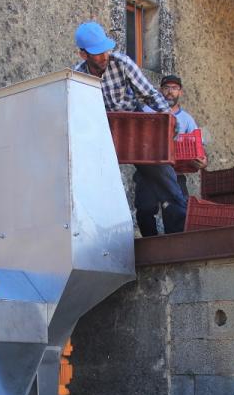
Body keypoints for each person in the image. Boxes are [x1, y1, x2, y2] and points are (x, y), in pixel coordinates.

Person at [72, 20, 187, 236]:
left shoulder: (121, 63)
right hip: (101, 131)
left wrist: (168, 118)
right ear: (83, 54)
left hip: (133, 126)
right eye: (97, 53)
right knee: (95, 182)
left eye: (105, 50)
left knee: (162, 174)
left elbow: (150, 94)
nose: (104, 56)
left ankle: (178, 235)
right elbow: (77, 113)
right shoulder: (77, 76)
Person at [145, 74, 201, 197]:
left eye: (174, 88)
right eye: (166, 88)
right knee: (146, 207)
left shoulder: (187, 119)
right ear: (160, 91)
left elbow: (198, 147)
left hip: (176, 175)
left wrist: (201, 159)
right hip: (148, 174)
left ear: (180, 92)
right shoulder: (147, 111)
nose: (170, 92)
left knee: (182, 207)